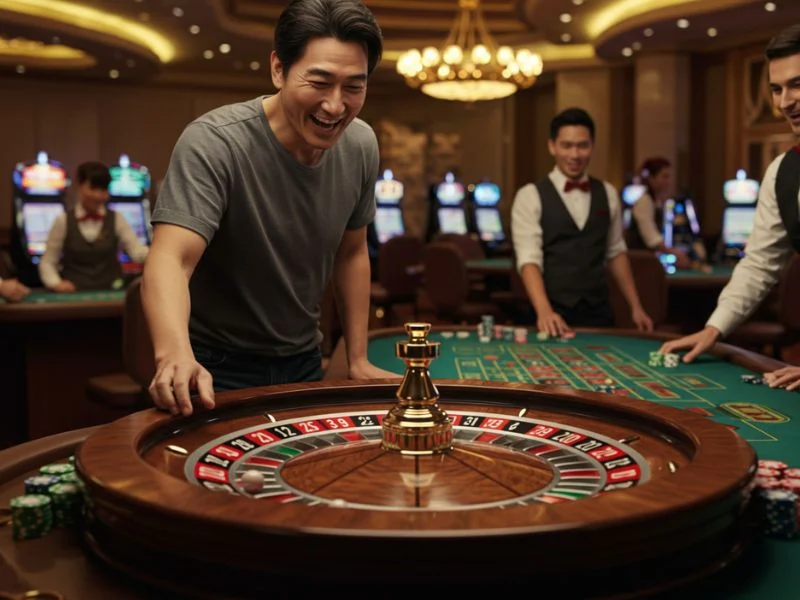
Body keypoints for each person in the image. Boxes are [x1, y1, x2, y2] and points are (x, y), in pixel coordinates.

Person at [143, 0, 397, 418]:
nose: (335, 106)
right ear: (278, 69)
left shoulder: (361, 144)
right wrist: (174, 355)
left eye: (354, 86)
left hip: (303, 359)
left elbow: (352, 253)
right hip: (214, 366)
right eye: (319, 82)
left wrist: (357, 357)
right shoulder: (215, 142)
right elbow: (171, 258)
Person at [660, 24, 800, 390]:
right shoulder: (781, 173)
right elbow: (759, 263)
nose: (785, 102)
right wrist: (714, 328)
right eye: (776, 89)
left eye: (797, 84)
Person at [510, 107, 654, 337]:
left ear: (592, 147)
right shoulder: (530, 195)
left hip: (598, 311)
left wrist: (635, 307)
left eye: (582, 145)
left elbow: (616, 252)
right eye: (567, 145)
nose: (575, 155)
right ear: (552, 146)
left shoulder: (607, 193)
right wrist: (545, 311)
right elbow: (529, 259)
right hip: (550, 311)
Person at [39, 161, 149, 292]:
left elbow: (136, 251)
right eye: (93, 188)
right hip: (74, 294)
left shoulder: (117, 218)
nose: (99, 196)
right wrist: (56, 283)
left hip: (111, 292)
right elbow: (48, 261)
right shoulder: (63, 220)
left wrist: (159, 254)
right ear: (79, 186)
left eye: (103, 190)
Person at [626, 157, 691, 269]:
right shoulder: (644, 201)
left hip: (647, 261)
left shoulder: (655, 202)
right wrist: (674, 253)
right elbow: (651, 238)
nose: (668, 181)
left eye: (669, 177)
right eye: (664, 177)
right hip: (638, 263)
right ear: (651, 178)